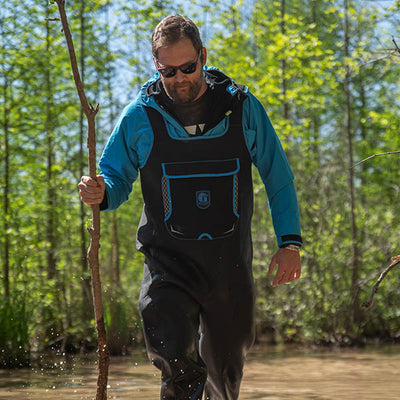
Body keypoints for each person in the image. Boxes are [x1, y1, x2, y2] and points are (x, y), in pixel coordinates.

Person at [78, 14, 302, 400]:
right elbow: (115, 177)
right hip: (168, 265)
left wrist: (290, 243)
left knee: (224, 376)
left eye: (188, 67)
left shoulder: (243, 109)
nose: (179, 78)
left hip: (229, 267)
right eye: (168, 71)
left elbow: (277, 177)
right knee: (175, 363)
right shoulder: (139, 117)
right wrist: (101, 193)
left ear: (202, 55)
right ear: (156, 65)